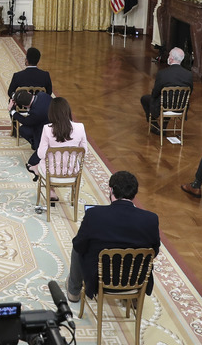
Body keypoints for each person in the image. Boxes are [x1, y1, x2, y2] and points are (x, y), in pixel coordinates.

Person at [67, 171, 160, 302]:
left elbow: (79, 245)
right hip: (135, 279)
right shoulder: (151, 219)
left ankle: (74, 292)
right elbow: (154, 252)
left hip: (100, 279)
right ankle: (134, 299)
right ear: (134, 193)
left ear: (111, 190)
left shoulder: (94, 215)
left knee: (78, 247)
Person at [27, 98, 87, 201]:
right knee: (51, 161)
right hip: (72, 172)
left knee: (44, 161)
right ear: (68, 111)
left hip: (51, 172)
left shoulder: (47, 129)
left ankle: (46, 184)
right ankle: (49, 188)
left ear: (51, 113)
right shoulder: (80, 127)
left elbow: (41, 154)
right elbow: (84, 152)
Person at [140, 47, 193, 128]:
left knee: (145, 99)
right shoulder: (189, 74)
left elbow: (156, 92)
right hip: (180, 106)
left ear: (171, 59)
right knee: (169, 98)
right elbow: (190, 91)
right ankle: (163, 126)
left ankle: (154, 124)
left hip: (164, 106)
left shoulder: (163, 74)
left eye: (169, 56)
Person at [10, 89, 51, 156]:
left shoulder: (35, 113)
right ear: (29, 93)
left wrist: (12, 111)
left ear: (24, 105)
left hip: (46, 129)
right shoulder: (42, 94)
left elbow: (25, 121)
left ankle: (36, 145)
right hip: (57, 121)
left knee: (23, 129)